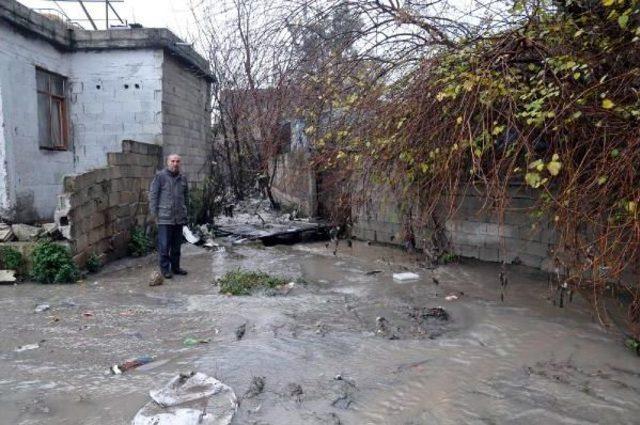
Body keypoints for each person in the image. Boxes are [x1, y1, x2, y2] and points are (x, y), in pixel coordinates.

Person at [149, 154, 189, 279]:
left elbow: (186, 198)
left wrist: (186, 212)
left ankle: (176, 268)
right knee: (164, 246)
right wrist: (154, 214)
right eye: (172, 161)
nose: (175, 163)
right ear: (168, 162)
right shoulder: (160, 177)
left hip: (179, 218)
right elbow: (153, 196)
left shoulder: (182, 178)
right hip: (164, 217)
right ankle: (165, 269)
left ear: (180, 163)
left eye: (177, 161)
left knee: (176, 246)